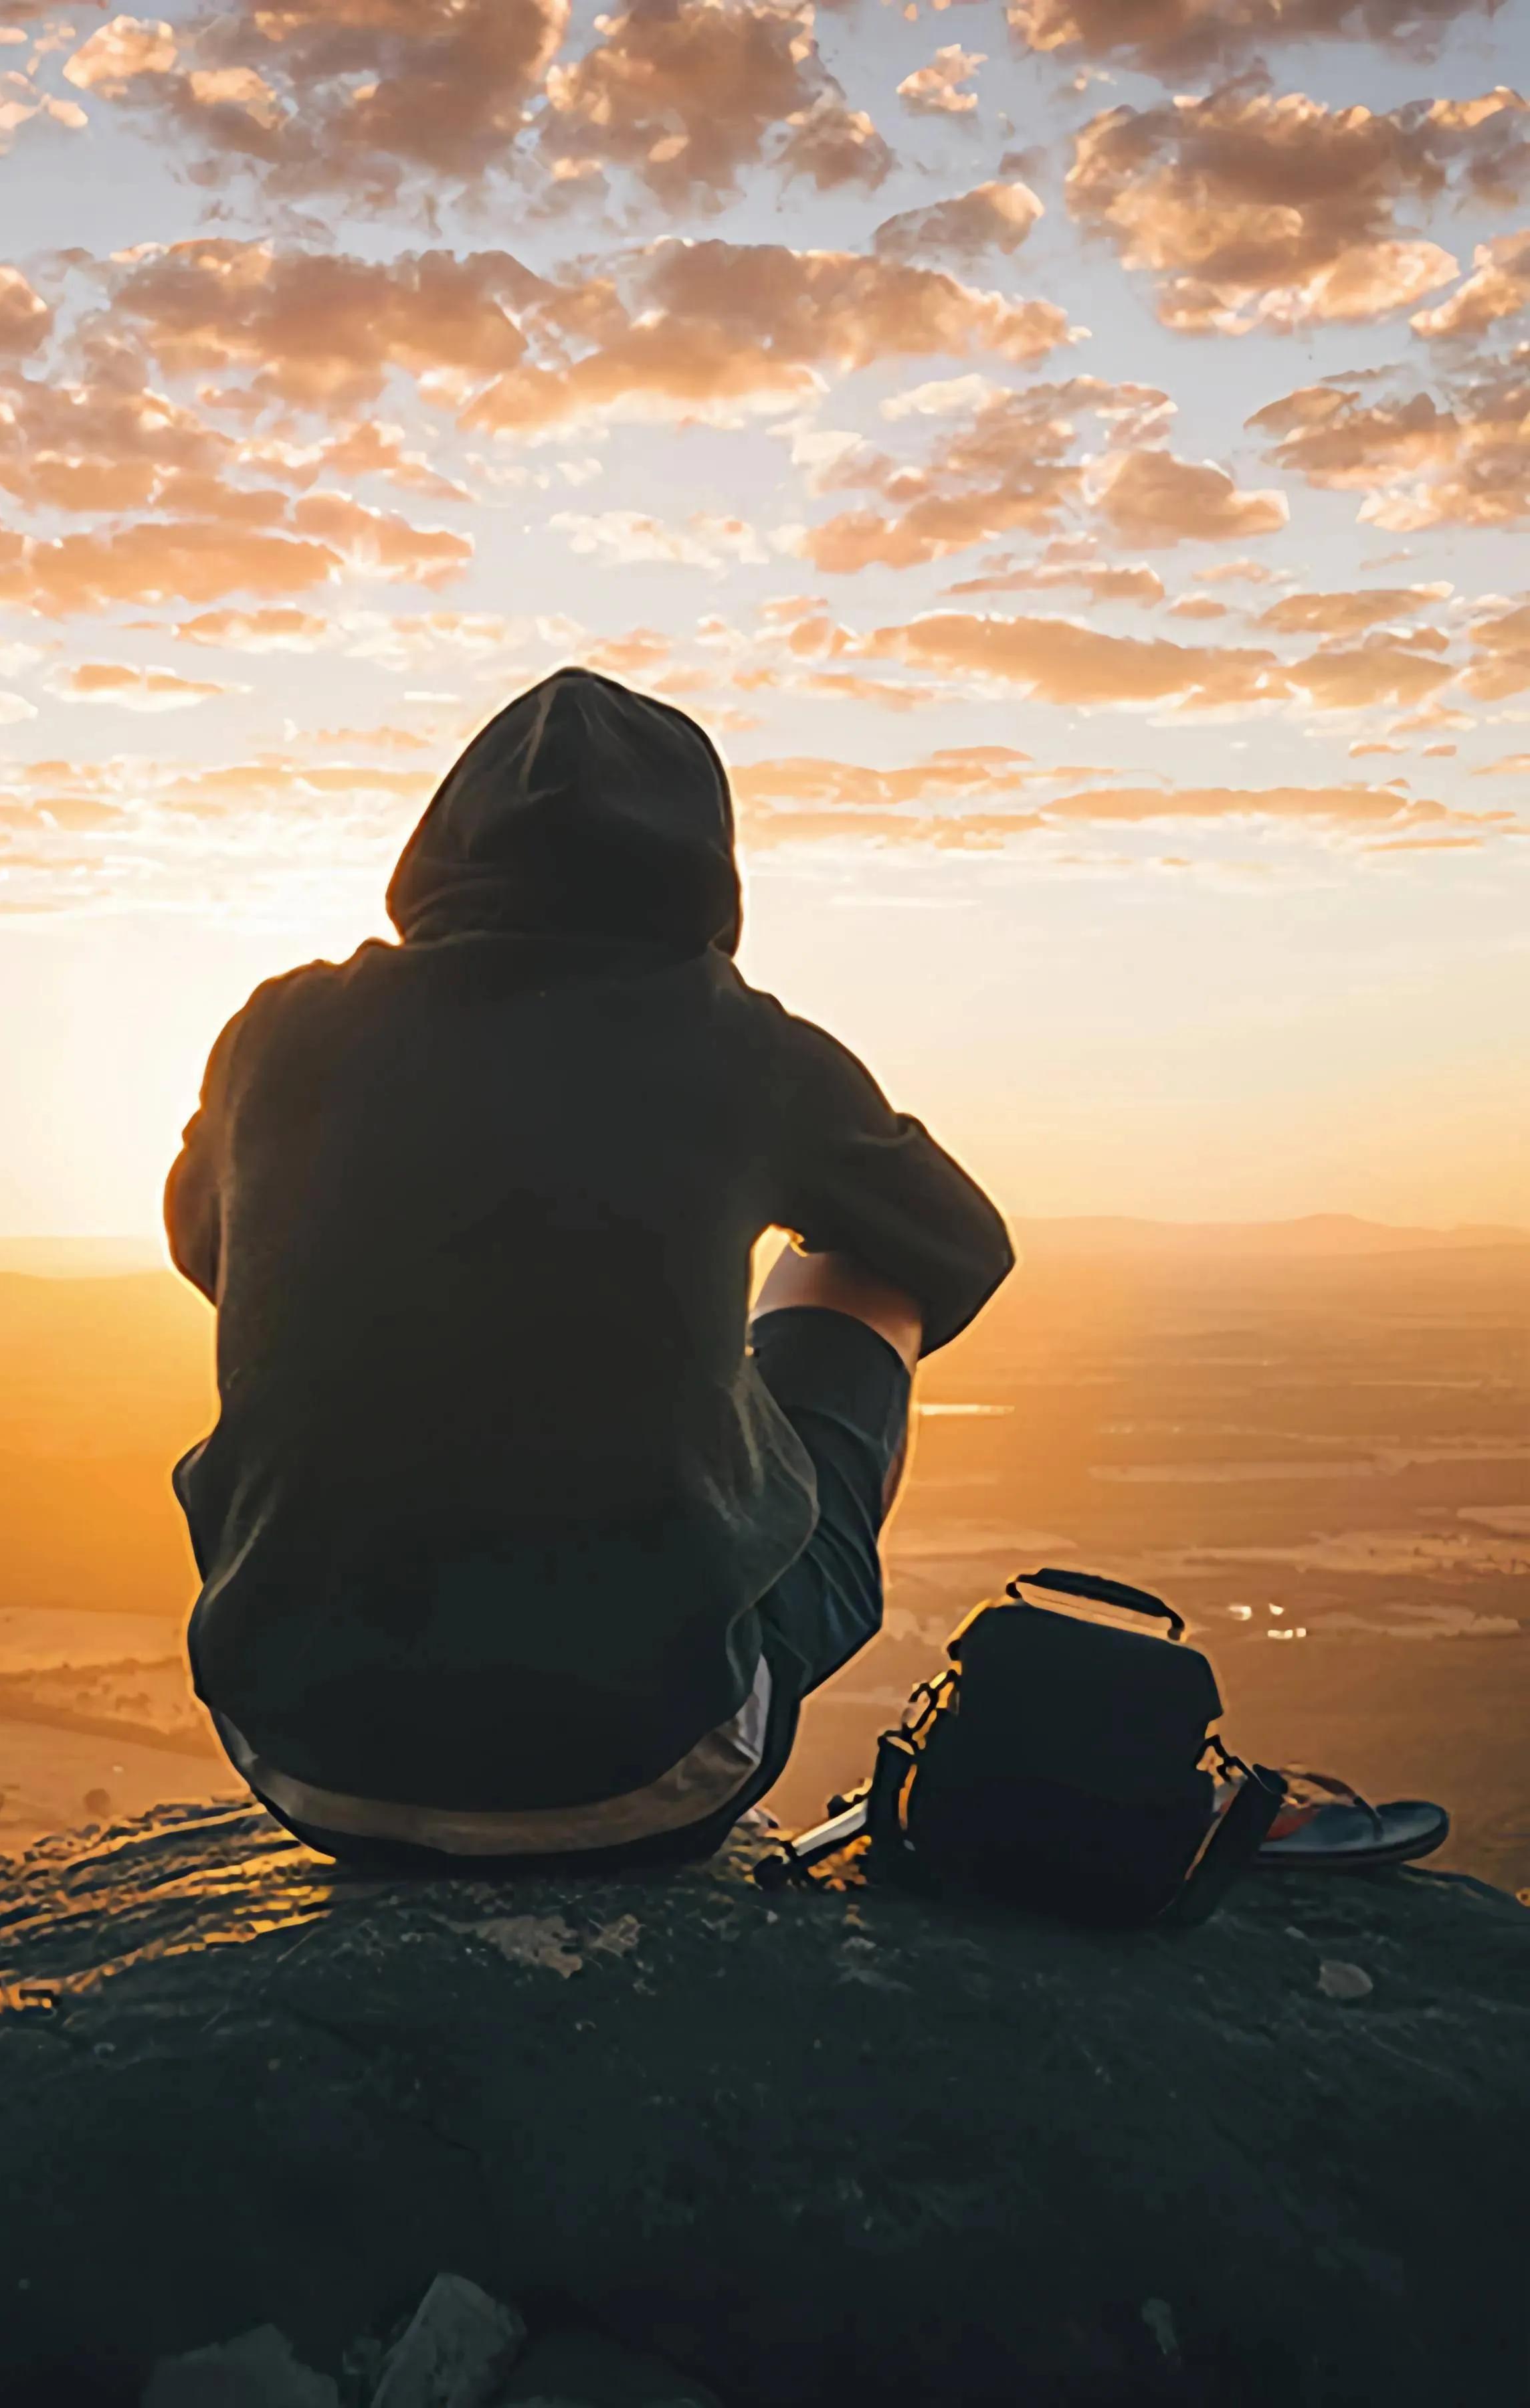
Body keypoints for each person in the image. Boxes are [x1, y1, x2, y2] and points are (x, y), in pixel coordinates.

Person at [163, 666, 1014, 1872]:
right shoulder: (737, 1042)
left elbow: (209, 1245)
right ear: (702, 867)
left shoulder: (279, 1028)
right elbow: (958, 1249)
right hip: (641, 1776)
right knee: (865, 1270)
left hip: (296, 1752)